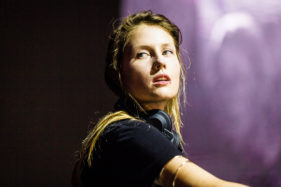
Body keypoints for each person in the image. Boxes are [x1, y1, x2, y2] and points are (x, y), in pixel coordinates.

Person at [72, 10, 249, 187]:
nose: (160, 61)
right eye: (142, 54)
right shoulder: (128, 133)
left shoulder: (136, 132)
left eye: (167, 51)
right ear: (119, 74)